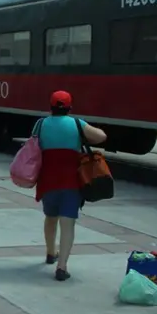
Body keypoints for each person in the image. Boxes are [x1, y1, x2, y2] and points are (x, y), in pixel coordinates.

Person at [35, 90, 107, 281]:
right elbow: (101, 136)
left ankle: (51, 252)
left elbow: (34, 143)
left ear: (50, 106)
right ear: (69, 107)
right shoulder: (76, 123)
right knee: (67, 223)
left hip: (48, 180)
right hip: (70, 181)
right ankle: (62, 267)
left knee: (50, 217)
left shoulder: (41, 124)